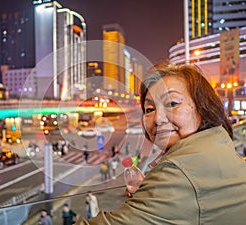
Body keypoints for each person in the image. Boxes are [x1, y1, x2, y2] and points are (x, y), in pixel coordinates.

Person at [74, 63, 246, 224]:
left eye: (172, 103)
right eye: (149, 109)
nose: (157, 119)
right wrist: (153, 195)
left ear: (203, 107)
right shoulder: (219, 145)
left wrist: (162, 188)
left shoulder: (179, 170)